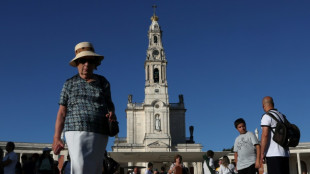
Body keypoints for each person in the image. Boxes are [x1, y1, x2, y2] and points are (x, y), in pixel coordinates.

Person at [52, 42, 117, 174]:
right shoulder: (69, 83)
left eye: (90, 61)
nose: (86, 64)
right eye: (82, 61)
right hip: (75, 130)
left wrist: (112, 114)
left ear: (95, 64)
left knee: (96, 166)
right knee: (79, 165)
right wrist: (56, 137)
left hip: (100, 130)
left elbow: (110, 105)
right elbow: (62, 112)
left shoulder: (103, 82)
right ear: (77, 64)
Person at [260, 96, 290, 174]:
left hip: (273, 154)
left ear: (263, 106)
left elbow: (265, 134)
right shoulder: (282, 116)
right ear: (273, 104)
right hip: (285, 153)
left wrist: (262, 153)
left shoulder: (266, 116)